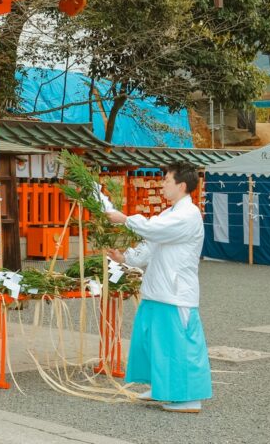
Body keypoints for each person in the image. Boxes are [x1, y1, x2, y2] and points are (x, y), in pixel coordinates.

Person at [106, 162, 212, 414]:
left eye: (166, 180)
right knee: (153, 342)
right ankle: (161, 387)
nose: (162, 184)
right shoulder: (169, 214)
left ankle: (188, 397)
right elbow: (150, 244)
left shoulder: (189, 215)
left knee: (178, 346)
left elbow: (154, 230)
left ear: (182, 185)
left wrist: (124, 219)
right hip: (157, 289)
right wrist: (125, 258)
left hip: (175, 293)